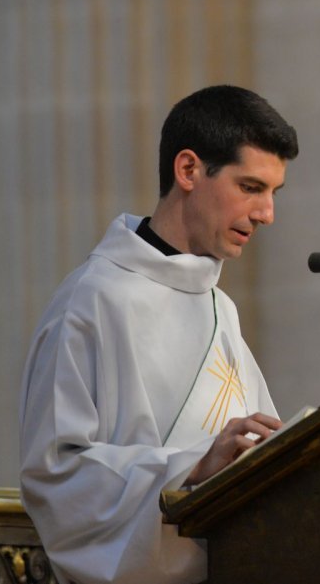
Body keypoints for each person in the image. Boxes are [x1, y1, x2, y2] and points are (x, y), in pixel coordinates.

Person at [18, 85, 299, 584]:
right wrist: (192, 467)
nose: (266, 214)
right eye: (251, 187)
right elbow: (55, 477)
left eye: (273, 193)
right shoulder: (92, 299)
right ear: (188, 170)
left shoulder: (220, 310)